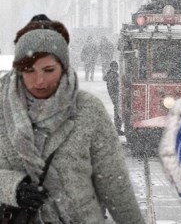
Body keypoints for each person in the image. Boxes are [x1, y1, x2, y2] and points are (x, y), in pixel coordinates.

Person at [0, 14, 144, 223]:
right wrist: (13, 188)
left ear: (63, 67)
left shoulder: (89, 110)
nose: (39, 80)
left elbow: (115, 186)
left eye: (48, 69)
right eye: (29, 69)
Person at [103, 60, 123, 135]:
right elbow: (112, 87)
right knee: (118, 110)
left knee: (117, 110)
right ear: (112, 67)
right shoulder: (112, 75)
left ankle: (117, 128)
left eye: (117, 66)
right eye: (115, 66)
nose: (116, 68)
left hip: (115, 95)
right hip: (115, 95)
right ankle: (117, 128)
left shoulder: (111, 74)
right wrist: (117, 91)